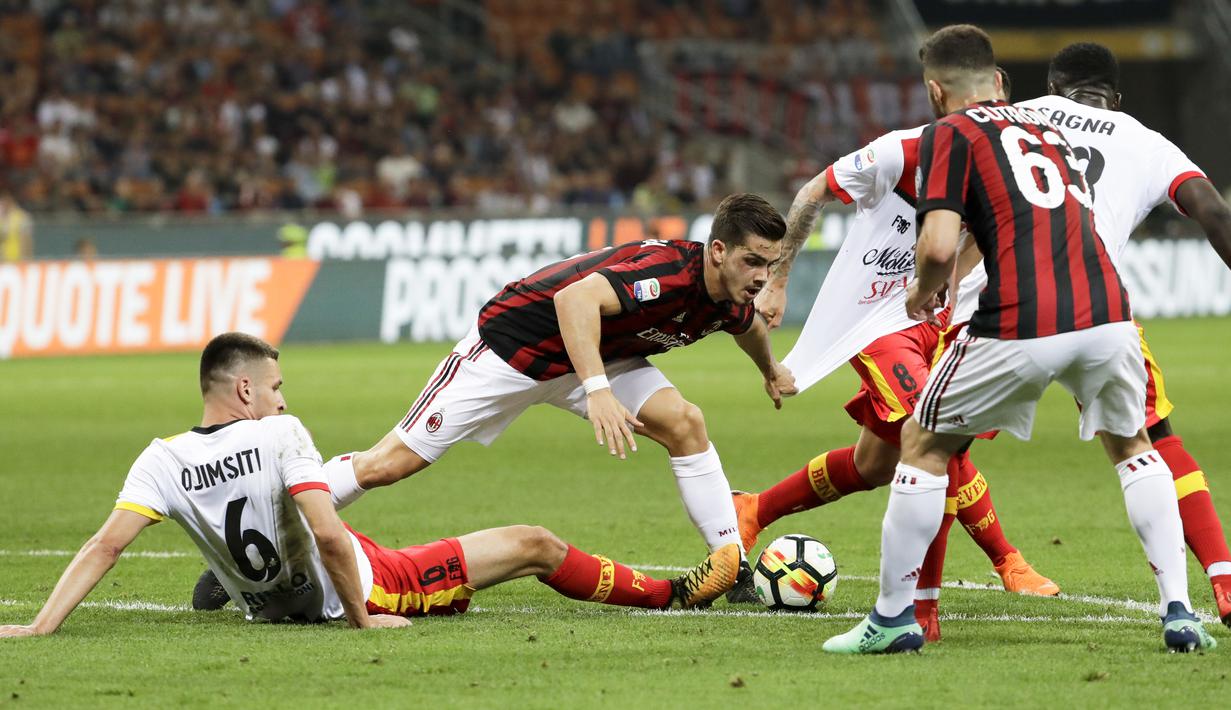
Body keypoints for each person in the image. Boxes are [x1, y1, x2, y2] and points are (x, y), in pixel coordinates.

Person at [823, 24, 1216, 654]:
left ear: (934, 90)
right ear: (999, 82)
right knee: (1136, 448)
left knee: (922, 442)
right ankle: (1180, 611)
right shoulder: (1045, 129)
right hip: (1109, 313)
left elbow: (940, 244)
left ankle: (894, 619)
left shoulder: (949, 132)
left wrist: (925, 290)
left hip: (1021, 318)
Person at [0, 333, 740, 638]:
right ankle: (674, 593)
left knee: (306, 521)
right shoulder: (281, 433)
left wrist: (39, 628)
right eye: (279, 387)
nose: (285, 400)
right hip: (363, 580)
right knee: (535, 544)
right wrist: (362, 616)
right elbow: (326, 531)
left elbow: (104, 546)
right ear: (248, 388)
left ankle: (230, 581)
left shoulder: (158, 459)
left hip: (282, 588)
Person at [317, 193, 796, 592]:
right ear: (717, 252)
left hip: (597, 354)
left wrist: (770, 369)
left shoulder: (731, 297)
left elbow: (747, 326)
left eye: (769, 266)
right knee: (389, 465)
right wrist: (597, 390)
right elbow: (575, 299)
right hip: (515, 348)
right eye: (752, 261)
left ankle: (732, 570)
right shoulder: (668, 274)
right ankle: (279, 505)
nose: (760, 277)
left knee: (685, 423)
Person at [738, 67, 1055, 637]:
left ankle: (754, 510)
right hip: (873, 322)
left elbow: (982, 233)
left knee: (875, 463)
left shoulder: (992, 160)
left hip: (930, 316)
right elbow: (812, 193)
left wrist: (953, 282)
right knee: (933, 434)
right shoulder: (897, 153)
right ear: (944, 95)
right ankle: (1004, 561)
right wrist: (779, 281)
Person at [1008, 43, 1231, 626]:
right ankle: (1220, 581)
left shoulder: (1015, 115)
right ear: (1117, 97)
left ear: (1053, 87)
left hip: (1002, 299)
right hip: (1096, 303)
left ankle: (915, 609)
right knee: (1152, 439)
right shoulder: (1146, 140)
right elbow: (1215, 213)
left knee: (928, 445)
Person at [0, 190, 33, 262]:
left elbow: (26, 240)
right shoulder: (1, 217)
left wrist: (25, 259)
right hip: (2, 260)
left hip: (16, 260)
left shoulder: (22, 217)